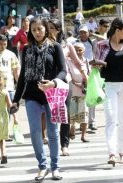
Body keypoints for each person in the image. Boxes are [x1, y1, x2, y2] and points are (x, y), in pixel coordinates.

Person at [12, 17, 66, 181]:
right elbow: (22, 77)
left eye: (40, 29)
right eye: (33, 30)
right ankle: (42, 166)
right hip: (32, 96)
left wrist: (53, 83)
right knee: (35, 133)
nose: (37, 32)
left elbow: (63, 71)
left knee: (53, 133)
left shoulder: (55, 47)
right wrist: (15, 99)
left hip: (52, 94)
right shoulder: (26, 49)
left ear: (46, 29)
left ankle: (55, 167)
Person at [48, 19, 88, 155]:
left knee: (65, 113)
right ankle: (51, 140)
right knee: (50, 113)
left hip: (65, 81)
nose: (50, 30)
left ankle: (64, 144)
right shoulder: (43, 44)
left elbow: (77, 62)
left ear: (59, 30)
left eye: (52, 28)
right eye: (48, 28)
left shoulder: (67, 45)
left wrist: (85, 75)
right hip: (49, 82)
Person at [95, 17, 123, 166]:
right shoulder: (101, 45)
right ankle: (112, 153)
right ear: (118, 30)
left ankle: (122, 151)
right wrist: (97, 65)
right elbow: (96, 68)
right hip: (108, 85)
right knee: (111, 119)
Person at [69, 43, 89, 143]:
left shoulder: (86, 61)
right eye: (75, 50)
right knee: (72, 113)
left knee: (84, 114)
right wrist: (76, 83)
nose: (77, 52)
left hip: (84, 92)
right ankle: (72, 129)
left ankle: (83, 135)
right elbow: (68, 75)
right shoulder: (68, 61)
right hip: (72, 91)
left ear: (83, 51)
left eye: (80, 50)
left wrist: (84, 84)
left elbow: (88, 74)